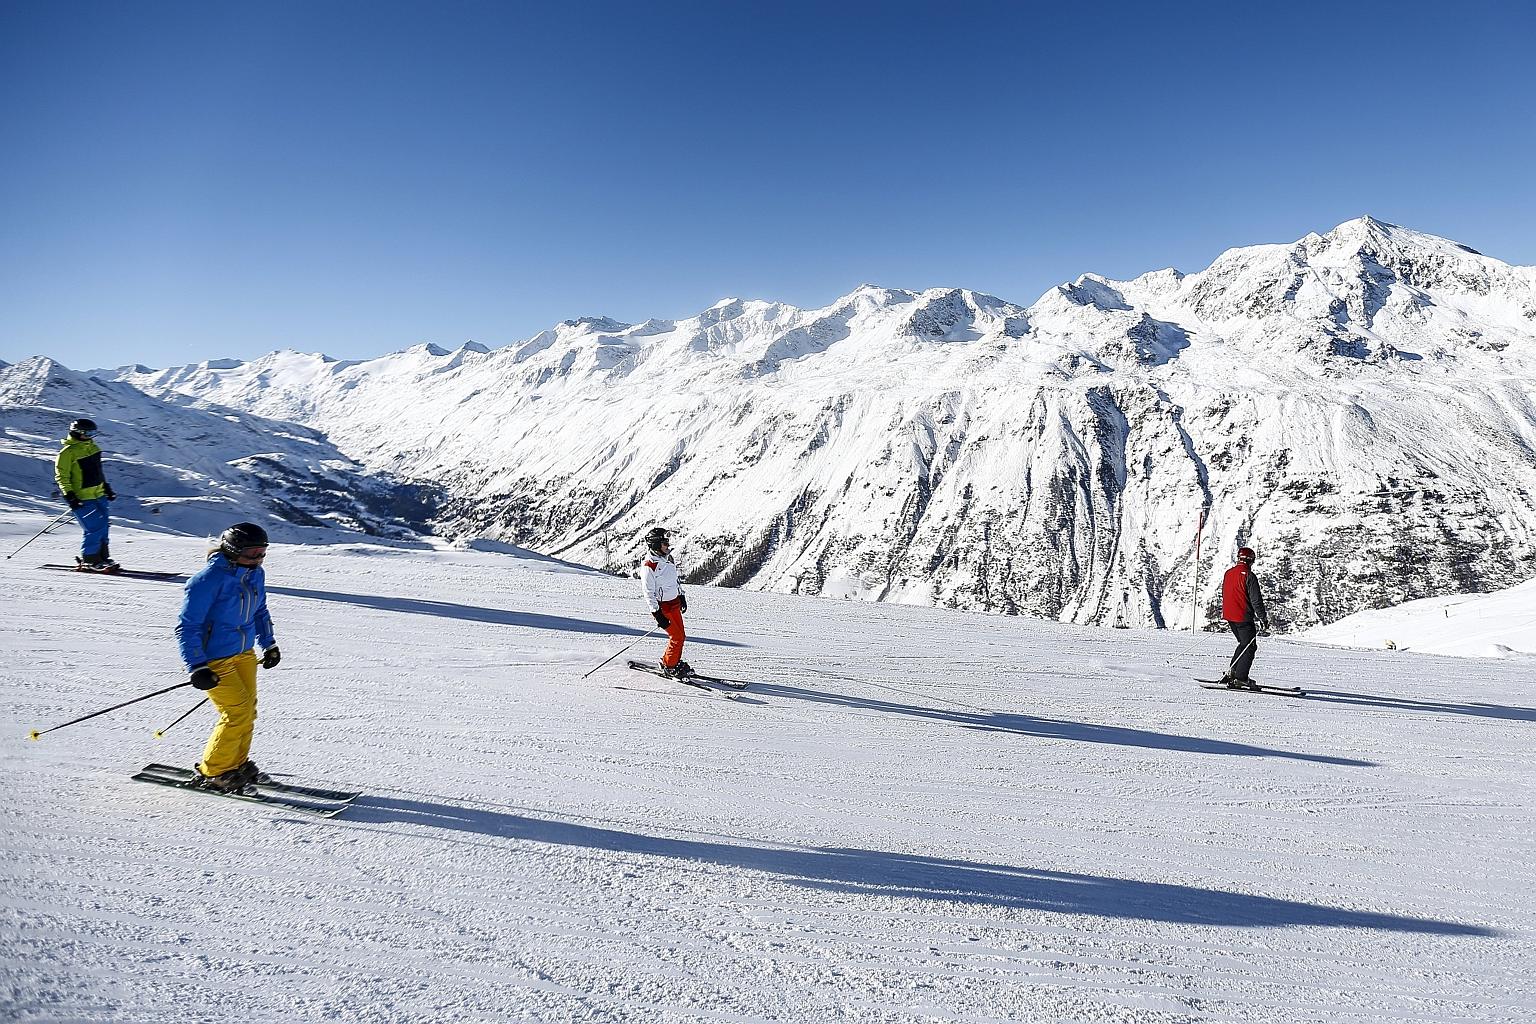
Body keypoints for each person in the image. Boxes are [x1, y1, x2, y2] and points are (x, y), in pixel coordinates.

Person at [175, 522, 281, 791]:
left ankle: (237, 762)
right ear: (233, 551)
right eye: (252, 553)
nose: (257, 559)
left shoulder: (256, 574)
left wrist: (268, 644)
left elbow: (260, 611)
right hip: (215, 658)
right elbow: (187, 626)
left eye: (262, 553)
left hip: (243, 653)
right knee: (236, 712)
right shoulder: (207, 581)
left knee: (248, 711)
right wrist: (196, 666)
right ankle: (216, 770)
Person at [54, 418, 118, 571]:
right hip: (82, 497)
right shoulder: (67, 453)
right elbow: (61, 477)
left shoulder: (93, 448)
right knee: (94, 528)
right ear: (77, 432)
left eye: (93, 433)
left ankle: (103, 557)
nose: (90, 436)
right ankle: (90, 559)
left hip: (99, 494)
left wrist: (106, 487)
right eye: (87, 433)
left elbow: (98, 472)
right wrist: (70, 496)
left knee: (103, 527)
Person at [639, 526, 691, 678]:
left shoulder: (668, 559)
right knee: (676, 637)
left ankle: (673, 661)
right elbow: (648, 593)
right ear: (655, 545)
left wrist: (681, 595)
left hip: (674, 603)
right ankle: (669, 666)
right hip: (663, 608)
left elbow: (675, 580)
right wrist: (656, 613)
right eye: (664, 543)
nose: (668, 546)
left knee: (681, 636)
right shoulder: (649, 566)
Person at [1219, 546, 1270, 688]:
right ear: (1251, 560)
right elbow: (1256, 600)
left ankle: (1232, 672)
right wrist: (1263, 619)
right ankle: (1241, 677)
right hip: (1243, 617)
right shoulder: (1249, 576)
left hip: (1230, 616)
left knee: (1243, 643)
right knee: (1250, 646)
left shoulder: (1228, 573)